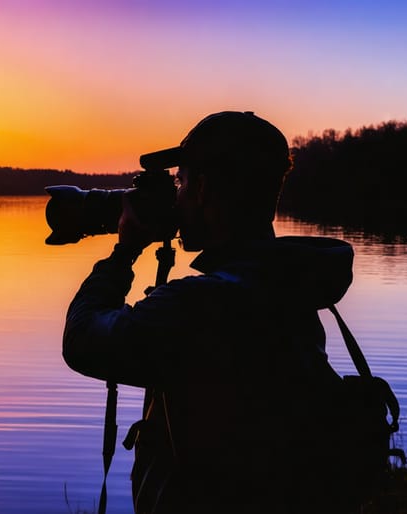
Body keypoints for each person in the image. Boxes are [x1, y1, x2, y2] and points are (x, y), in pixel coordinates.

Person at [62, 111, 357, 513]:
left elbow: (82, 340)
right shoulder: (288, 283)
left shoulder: (201, 304)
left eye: (180, 182)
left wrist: (125, 250)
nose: (175, 197)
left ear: (202, 189)